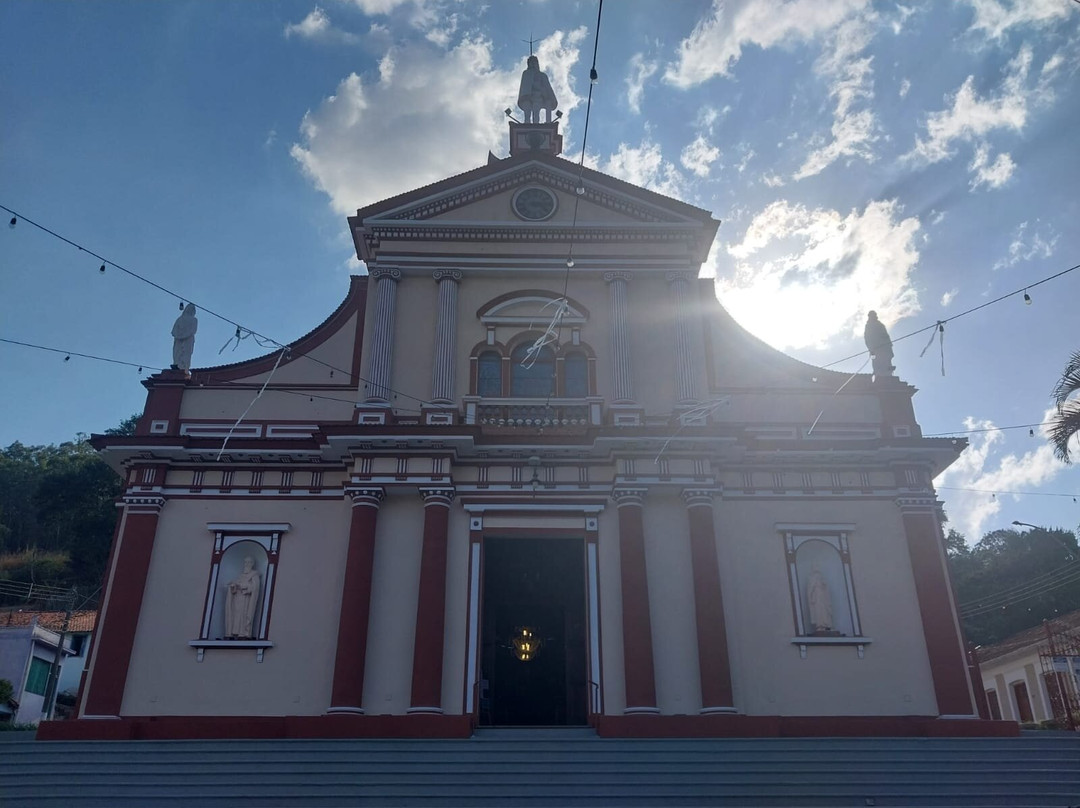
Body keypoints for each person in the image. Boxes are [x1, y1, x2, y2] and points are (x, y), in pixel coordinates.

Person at [224, 556, 260, 639]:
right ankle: (234, 632)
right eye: (245, 562)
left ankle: (244, 633)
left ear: (252, 564)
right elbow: (236, 586)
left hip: (246, 599)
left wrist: (243, 586)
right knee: (236, 616)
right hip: (237, 598)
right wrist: (233, 586)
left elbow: (255, 588)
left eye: (249, 562)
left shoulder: (254, 575)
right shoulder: (241, 575)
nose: (246, 564)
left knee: (244, 616)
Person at [517, 55, 558, 124]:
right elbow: (525, 87)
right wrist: (526, 95)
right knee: (527, 111)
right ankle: (527, 123)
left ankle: (545, 123)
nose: (533, 64)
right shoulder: (526, 73)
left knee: (536, 112)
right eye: (531, 63)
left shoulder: (542, 75)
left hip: (539, 97)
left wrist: (546, 95)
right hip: (528, 98)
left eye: (534, 62)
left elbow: (547, 88)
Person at [863, 310, 894, 380]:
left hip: (885, 348)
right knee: (878, 362)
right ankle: (879, 375)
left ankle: (888, 376)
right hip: (876, 348)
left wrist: (890, 348)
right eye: (872, 315)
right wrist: (871, 349)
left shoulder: (881, 325)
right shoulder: (869, 326)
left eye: (874, 315)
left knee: (887, 362)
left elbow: (886, 336)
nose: (874, 317)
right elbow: (867, 338)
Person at [806, 565, 834, 634]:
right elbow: (810, 589)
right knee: (818, 610)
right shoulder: (812, 578)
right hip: (817, 596)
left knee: (824, 610)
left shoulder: (822, 577)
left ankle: (827, 625)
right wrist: (811, 597)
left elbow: (826, 587)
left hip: (823, 596)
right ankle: (820, 625)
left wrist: (824, 585)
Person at [171, 303, 198, 371]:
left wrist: (182, 335)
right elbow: (174, 331)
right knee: (178, 353)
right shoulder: (179, 319)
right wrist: (181, 335)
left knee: (186, 354)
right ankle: (177, 365)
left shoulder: (194, 320)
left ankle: (184, 368)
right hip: (179, 339)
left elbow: (193, 331)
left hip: (187, 340)